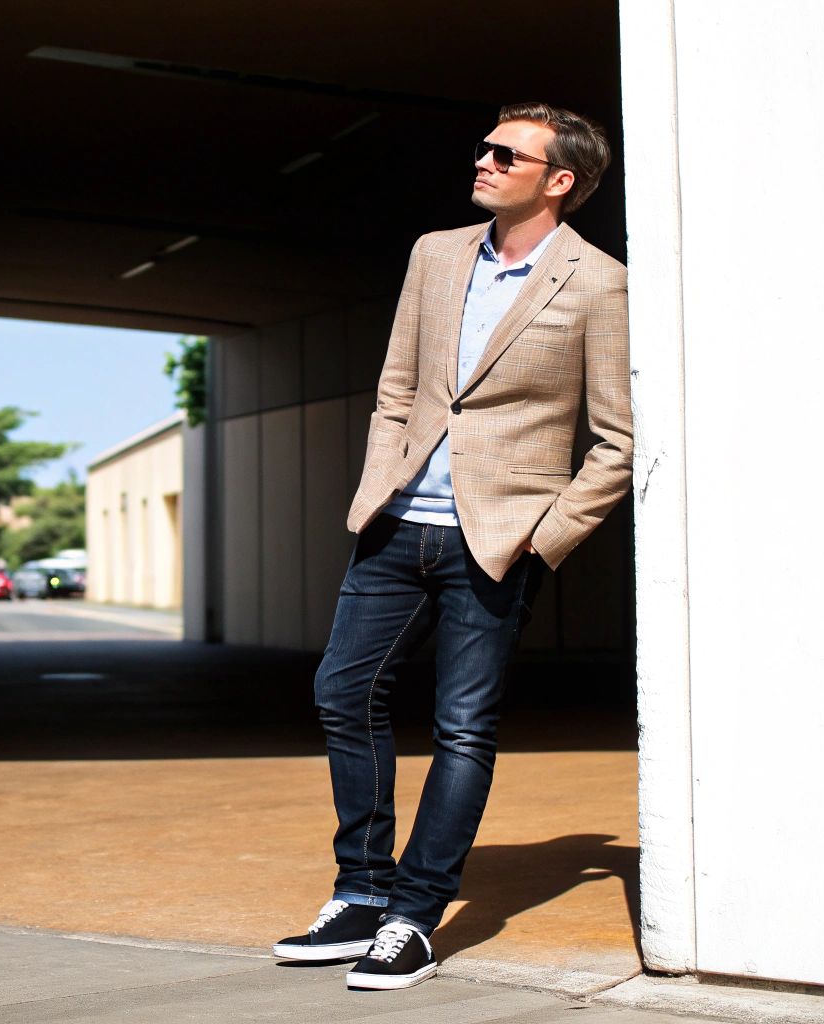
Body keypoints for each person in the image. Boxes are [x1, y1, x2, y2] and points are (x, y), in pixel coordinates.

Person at [271, 102, 631, 990]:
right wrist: (379, 487)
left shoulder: (600, 283)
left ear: (560, 181)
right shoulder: (435, 254)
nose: (485, 161)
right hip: (398, 525)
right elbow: (398, 386)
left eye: (508, 155)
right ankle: (361, 892)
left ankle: (413, 917)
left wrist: (545, 538)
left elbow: (617, 439)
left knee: (463, 727)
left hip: (496, 540)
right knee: (342, 692)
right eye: (486, 148)